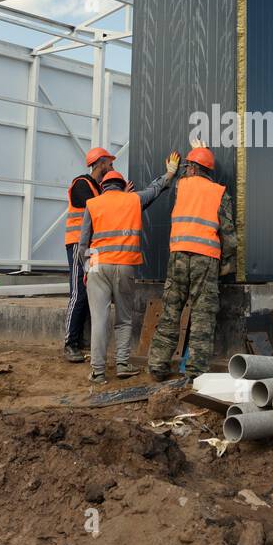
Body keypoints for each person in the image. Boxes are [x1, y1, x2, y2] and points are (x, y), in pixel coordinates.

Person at [78, 152, 181, 384]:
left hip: (97, 266)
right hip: (125, 265)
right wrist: (171, 173)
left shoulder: (92, 204)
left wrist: (86, 269)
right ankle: (123, 363)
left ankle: (98, 371)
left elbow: (83, 243)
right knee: (123, 319)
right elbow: (155, 189)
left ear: (103, 186)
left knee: (99, 319)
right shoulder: (133, 199)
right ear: (123, 185)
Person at [147, 143, 237, 380]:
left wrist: (172, 171)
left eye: (187, 166)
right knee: (202, 315)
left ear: (194, 169)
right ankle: (196, 372)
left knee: (170, 310)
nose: (185, 169)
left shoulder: (179, 186)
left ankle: (158, 365)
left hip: (178, 256)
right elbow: (228, 233)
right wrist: (229, 261)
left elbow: (171, 183)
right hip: (206, 260)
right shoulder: (220, 192)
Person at [61, 147, 114, 363]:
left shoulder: (99, 189)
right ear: (100, 163)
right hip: (78, 246)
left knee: (91, 292)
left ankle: (79, 340)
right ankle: (70, 343)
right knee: (79, 293)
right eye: (109, 163)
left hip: (92, 248)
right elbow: (96, 207)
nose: (112, 167)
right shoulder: (81, 184)